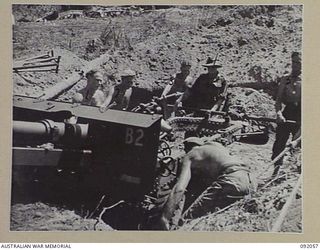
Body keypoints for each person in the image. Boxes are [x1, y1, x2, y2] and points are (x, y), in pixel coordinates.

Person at [154, 137, 257, 230]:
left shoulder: (191, 154)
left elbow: (179, 189)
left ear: (188, 147)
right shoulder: (216, 147)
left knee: (187, 220)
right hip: (250, 180)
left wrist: (165, 218)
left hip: (233, 180)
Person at [271, 51, 301, 177]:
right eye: (293, 62)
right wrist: (279, 114)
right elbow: (278, 100)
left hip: (302, 113)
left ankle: (296, 172)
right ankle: (276, 170)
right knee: (279, 142)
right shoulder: (286, 79)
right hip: (287, 112)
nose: (295, 65)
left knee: (299, 144)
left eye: (298, 62)